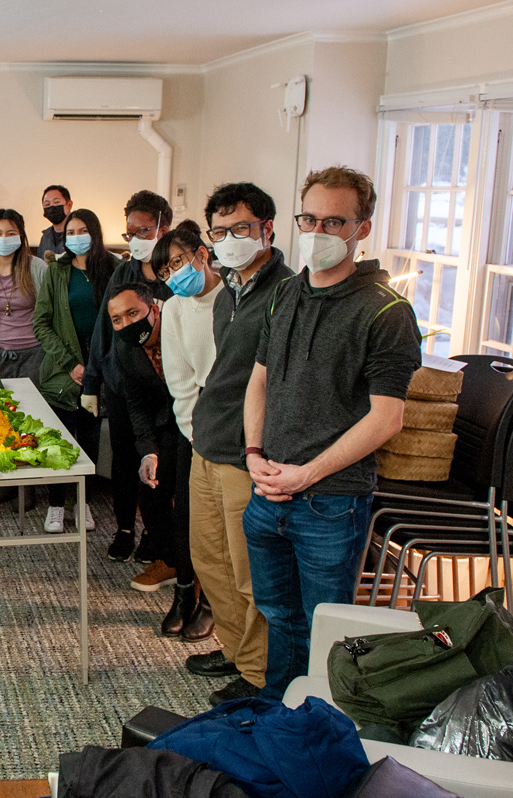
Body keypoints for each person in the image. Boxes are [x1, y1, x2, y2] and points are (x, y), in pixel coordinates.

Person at [243, 166, 420, 699]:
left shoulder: (386, 311)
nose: (319, 231)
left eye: (334, 221)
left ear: (361, 229)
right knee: (279, 616)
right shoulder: (286, 293)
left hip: (330, 503)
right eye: (310, 218)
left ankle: (319, 729)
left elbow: (387, 419)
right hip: (268, 488)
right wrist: (253, 453)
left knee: (327, 630)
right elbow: (259, 383)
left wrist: (306, 474)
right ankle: (279, 715)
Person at [187, 181, 292, 707]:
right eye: (221, 231)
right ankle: (234, 648)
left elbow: (280, 383)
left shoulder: (287, 293)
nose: (230, 239)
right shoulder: (229, 290)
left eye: (242, 229)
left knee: (247, 570)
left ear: (267, 229)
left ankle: (258, 674)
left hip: (244, 451)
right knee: (209, 561)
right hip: (207, 439)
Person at [152, 220, 223, 641]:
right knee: (188, 517)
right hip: (194, 426)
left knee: (225, 528)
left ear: (200, 253)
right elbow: (179, 380)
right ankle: (184, 593)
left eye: (177, 262)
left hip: (237, 428)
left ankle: (215, 602)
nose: (173, 275)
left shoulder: (233, 298)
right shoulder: (176, 308)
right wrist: (197, 433)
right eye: (164, 272)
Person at [104, 283, 184, 620]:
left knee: (191, 496)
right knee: (150, 484)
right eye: (117, 320)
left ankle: (198, 572)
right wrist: (148, 453)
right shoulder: (124, 351)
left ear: (154, 309)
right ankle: (169, 561)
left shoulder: (181, 326)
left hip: (203, 418)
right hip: (164, 420)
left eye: (132, 313)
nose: (126, 324)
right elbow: (136, 405)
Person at [34, 208, 113, 534]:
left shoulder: (114, 268)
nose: (77, 237)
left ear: (95, 233)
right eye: (71, 232)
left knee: (89, 442)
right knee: (59, 441)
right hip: (64, 372)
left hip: (101, 371)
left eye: (83, 230)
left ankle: (83, 502)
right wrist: (72, 365)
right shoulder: (57, 271)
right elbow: (41, 322)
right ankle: (55, 504)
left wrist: (96, 368)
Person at [0, 208, 47, 380]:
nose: (4, 239)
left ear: (20, 236)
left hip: (35, 353)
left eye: (11, 233)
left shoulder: (37, 267)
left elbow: (51, 313)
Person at [113, 190, 174, 300]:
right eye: (130, 234)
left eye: (142, 232)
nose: (135, 240)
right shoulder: (124, 273)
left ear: (163, 231)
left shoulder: (179, 275)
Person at [38, 185, 73, 259]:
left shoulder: (78, 234)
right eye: (47, 204)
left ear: (69, 205)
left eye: (56, 202)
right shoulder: (45, 237)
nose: (52, 207)